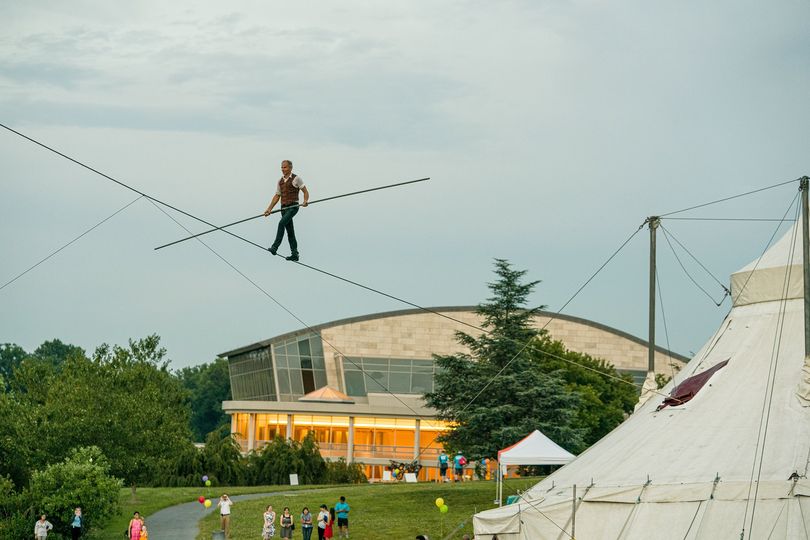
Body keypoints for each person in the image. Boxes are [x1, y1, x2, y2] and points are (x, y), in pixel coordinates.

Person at [264, 159, 310, 262]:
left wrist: (305, 201)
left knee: (281, 224)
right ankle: (295, 254)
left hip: (293, 207)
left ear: (290, 168)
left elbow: (305, 192)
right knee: (290, 232)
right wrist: (269, 209)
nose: (283, 169)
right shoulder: (280, 181)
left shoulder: (296, 179)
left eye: (285, 167)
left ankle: (275, 247)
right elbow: (277, 196)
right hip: (284, 208)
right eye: (282, 167)